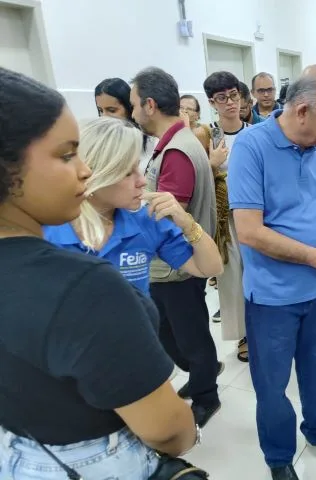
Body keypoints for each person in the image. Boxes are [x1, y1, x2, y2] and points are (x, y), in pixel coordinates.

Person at [0, 67, 199, 478]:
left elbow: (204, 263)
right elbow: (168, 430)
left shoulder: (141, 223)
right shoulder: (83, 285)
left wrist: (186, 224)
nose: (84, 170)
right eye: (66, 154)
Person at [228, 65, 316, 480]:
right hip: (273, 298)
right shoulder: (251, 147)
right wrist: (314, 257)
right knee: (272, 387)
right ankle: (279, 458)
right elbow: (249, 231)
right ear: (302, 110)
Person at [44, 117, 224, 297]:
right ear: (95, 174)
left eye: (138, 168)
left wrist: (187, 223)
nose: (142, 181)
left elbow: (210, 268)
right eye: (128, 173)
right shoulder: (49, 231)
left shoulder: (145, 220)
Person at [130, 66, 220, 428]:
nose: (132, 112)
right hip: (174, 266)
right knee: (178, 334)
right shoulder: (174, 144)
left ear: (150, 105)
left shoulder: (178, 151)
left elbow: (171, 215)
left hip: (177, 267)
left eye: (134, 104)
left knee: (188, 336)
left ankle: (206, 394)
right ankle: (202, 376)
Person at [203, 71, 250, 361]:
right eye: (222, 98)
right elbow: (196, 178)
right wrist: (211, 164)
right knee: (233, 278)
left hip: (256, 213)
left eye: (234, 95)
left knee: (258, 273)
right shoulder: (207, 135)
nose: (230, 102)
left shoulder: (256, 131)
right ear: (212, 102)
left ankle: (263, 329)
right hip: (225, 217)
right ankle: (243, 335)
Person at [94, 77, 155, 172]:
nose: (104, 117)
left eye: (112, 110)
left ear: (128, 109)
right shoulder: (97, 141)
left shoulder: (150, 143)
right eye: (100, 110)